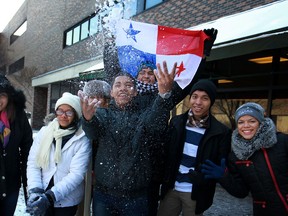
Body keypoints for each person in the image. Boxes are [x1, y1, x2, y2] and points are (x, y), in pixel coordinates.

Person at [80, 60, 196, 215]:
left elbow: (155, 123)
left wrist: (163, 95)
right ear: (112, 93)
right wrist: (87, 119)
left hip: (135, 197)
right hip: (104, 195)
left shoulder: (143, 115)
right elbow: (92, 133)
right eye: (118, 85)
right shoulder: (102, 114)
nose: (123, 88)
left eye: (128, 85)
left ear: (135, 92)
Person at [157, 79, 232, 216]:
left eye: (205, 98)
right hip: (171, 188)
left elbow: (220, 164)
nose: (198, 102)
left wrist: (203, 178)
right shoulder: (176, 122)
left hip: (196, 192)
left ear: (211, 102)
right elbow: (165, 154)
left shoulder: (221, 132)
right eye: (194, 97)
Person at [201, 102, 288, 216]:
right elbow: (241, 192)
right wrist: (224, 177)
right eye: (241, 122)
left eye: (252, 121)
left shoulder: (282, 142)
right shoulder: (236, 155)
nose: (246, 126)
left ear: (261, 123)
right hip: (264, 212)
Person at [26, 92, 92, 216]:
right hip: (41, 192)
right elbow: (33, 164)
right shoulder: (45, 132)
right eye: (60, 111)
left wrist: (51, 196)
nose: (63, 116)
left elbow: (76, 174)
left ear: (76, 114)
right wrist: (35, 190)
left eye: (69, 112)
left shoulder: (82, 138)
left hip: (66, 201)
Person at [0, 75, 33, 216]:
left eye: (2, 95)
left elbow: (28, 151)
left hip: (11, 184)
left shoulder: (18, 117)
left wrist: (28, 187)